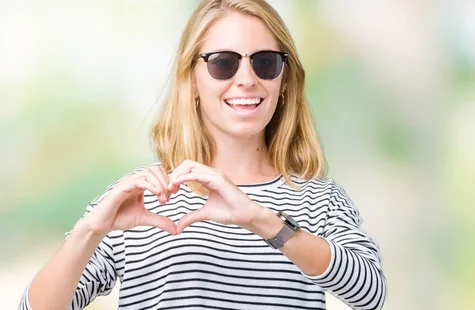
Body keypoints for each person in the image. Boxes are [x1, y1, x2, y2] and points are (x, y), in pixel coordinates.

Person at [19, 0, 387, 309]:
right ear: (192, 79)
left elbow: (370, 294)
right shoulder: (140, 198)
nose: (246, 79)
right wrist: (89, 230)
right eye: (223, 63)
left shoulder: (318, 199)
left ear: (285, 80)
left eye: (265, 62)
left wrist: (264, 221)